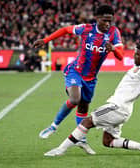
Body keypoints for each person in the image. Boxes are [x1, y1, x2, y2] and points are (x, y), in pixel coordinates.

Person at [33, 5, 124, 154]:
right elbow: (65, 30)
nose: (107, 24)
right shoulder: (86, 29)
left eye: (110, 21)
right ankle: (54, 126)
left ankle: (81, 140)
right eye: (104, 20)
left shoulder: (114, 33)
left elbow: (121, 56)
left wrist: (113, 49)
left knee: (83, 107)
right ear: (97, 19)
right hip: (75, 71)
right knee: (75, 99)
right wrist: (46, 39)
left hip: (91, 78)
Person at [43, 44, 140, 156]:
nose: (134, 56)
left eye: (137, 54)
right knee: (108, 141)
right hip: (124, 110)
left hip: (117, 107)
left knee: (87, 122)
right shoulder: (139, 68)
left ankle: (60, 150)